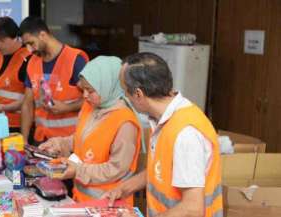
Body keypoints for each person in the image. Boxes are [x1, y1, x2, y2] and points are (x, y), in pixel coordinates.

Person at [102, 52, 223, 217]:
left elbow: (193, 209)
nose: (125, 98)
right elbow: (160, 171)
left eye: (125, 92)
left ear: (138, 94)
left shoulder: (185, 134)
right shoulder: (163, 119)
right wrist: (124, 188)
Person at [39, 56, 141, 205]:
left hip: (109, 204)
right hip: (81, 199)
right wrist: (59, 144)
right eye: (83, 90)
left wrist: (78, 171)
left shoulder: (125, 123)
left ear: (107, 86)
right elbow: (81, 139)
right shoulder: (90, 106)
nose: (85, 95)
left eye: (90, 90)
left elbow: (116, 169)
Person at [19, 16, 88, 144]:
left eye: (31, 43)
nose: (29, 49)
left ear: (43, 35)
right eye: (26, 45)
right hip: (40, 141)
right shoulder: (32, 63)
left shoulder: (74, 60)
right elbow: (27, 103)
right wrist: (24, 139)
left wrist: (67, 107)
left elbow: (94, 98)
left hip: (69, 142)